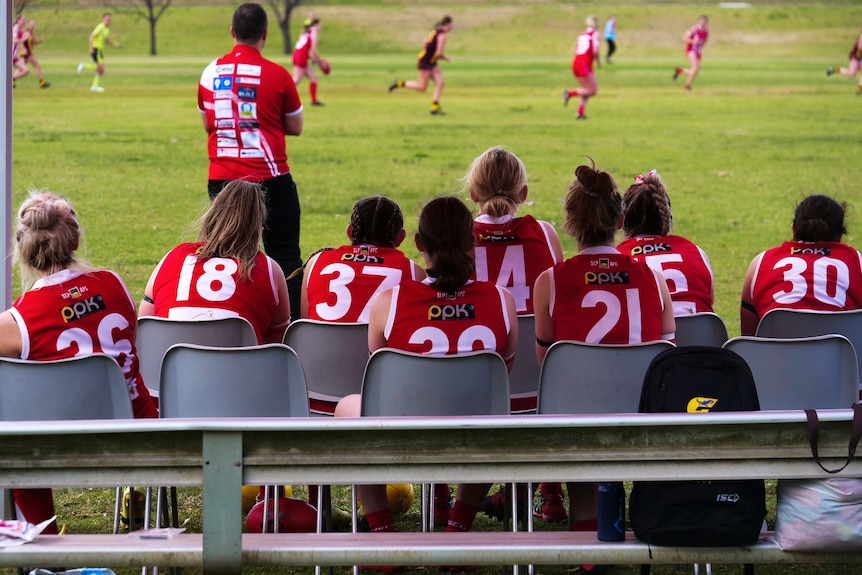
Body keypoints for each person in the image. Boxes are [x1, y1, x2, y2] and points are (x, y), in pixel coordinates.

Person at [335, 196, 518, 552]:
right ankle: (458, 524)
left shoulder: (389, 301)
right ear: (474, 241)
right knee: (491, 414)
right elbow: (501, 375)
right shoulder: (502, 300)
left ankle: (382, 532)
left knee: (348, 407)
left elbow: (381, 374)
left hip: (404, 436)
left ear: (419, 243)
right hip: (476, 437)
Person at [533, 162, 674, 563]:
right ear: (621, 219)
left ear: (570, 222)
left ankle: (588, 542)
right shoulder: (653, 277)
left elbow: (549, 363)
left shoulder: (551, 280)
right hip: (644, 415)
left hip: (574, 417)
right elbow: (665, 356)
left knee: (579, 407)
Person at [0, 191, 157, 536]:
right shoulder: (114, 284)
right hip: (137, 436)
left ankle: (43, 543)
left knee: (16, 440)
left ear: (21, 250)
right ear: (75, 239)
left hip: (54, 448)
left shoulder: (17, 322)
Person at [464, 146, 567, 526]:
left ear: (473, 194)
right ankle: (552, 492)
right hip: (540, 386)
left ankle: (442, 499)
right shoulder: (543, 232)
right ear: (522, 194)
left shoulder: (460, 236)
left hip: (474, 382)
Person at [198, 3, 305, 321]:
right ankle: (291, 327)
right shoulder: (278, 74)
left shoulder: (210, 72)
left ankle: (220, 315)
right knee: (285, 255)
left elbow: (208, 124)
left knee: (223, 253)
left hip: (222, 177)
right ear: (265, 35)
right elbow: (296, 127)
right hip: (269, 177)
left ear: (232, 32)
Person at [139, 179, 291, 345]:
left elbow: (144, 329)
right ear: (259, 231)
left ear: (211, 218)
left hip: (169, 368)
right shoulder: (269, 270)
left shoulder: (172, 257)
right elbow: (277, 345)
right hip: (239, 369)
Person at [740, 194, 862, 336]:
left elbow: (749, 339)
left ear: (793, 229)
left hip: (776, 357)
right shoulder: (857, 262)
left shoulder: (760, 263)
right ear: (840, 236)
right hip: (839, 357)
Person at [302, 195, 425, 327]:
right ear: (401, 238)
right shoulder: (413, 273)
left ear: (349, 232)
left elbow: (306, 323)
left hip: (318, 347)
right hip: (376, 348)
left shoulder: (316, 262)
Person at [618, 169, 715, 316]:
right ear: (666, 214)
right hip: (699, 338)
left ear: (622, 220)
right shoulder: (695, 252)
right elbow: (709, 301)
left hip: (651, 338)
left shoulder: (619, 258)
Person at [388, 15, 453, 116]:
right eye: (452, 24)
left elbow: (425, 43)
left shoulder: (434, 31)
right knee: (422, 87)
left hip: (432, 62)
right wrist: (446, 58)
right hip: (425, 62)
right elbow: (438, 53)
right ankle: (399, 83)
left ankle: (434, 108)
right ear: (447, 24)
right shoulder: (442, 35)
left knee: (440, 83)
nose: (452, 27)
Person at [563, 15, 601, 120]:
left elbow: (576, 48)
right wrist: (598, 61)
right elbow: (595, 50)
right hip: (584, 64)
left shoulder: (582, 34)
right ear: (596, 24)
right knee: (592, 90)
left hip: (576, 62)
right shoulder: (595, 34)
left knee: (586, 89)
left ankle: (580, 113)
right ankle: (569, 94)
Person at [77, 13, 120, 93]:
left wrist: (115, 44)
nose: (108, 21)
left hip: (100, 51)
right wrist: (91, 47)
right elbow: (92, 36)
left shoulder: (107, 30)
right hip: (95, 49)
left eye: (109, 19)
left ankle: (94, 86)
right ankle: (83, 65)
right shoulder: (100, 27)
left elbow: (106, 40)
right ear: (103, 20)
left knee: (101, 70)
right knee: (101, 69)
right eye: (107, 19)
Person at [292, 18, 326, 106]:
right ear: (316, 25)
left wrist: (312, 58)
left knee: (314, 78)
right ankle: (280, 95)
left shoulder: (306, 32)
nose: (321, 27)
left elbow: (303, 48)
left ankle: (314, 101)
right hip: (301, 57)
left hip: (298, 55)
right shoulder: (314, 33)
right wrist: (320, 61)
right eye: (320, 25)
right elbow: (314, 49)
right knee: (296, 80)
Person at [673, 15, 709, 91]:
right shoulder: (694, 29)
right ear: (699, 21)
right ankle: (688, 86)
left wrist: (702, 46)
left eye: (704, 21)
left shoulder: (706, 31)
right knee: (695, 68)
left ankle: (680, 70)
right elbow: (684, 38)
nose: (702, 23)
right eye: (701, 21)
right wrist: (693, 41)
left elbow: (705, 40)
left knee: (696, 72)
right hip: (691, 50)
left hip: (698, 51)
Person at [827, 30, 862, 95]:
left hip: (860, 57)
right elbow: (860, 49)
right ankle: (835, 69)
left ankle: (860, 90)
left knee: (852, 74)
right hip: (856, 57)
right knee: (851, 74)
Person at [20, 18, 50, 88]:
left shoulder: (32, 33)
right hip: (27, 53)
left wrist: (40, 41)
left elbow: (35, 43)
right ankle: (42, 83)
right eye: (31, 24)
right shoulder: (26, 32)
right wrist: (24, 49)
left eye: (33, 24)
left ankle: (12, 80)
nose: (32, 25)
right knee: (37, 66)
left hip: (27, 53)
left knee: (21, 69)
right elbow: (21, 41)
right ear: (28, 24)